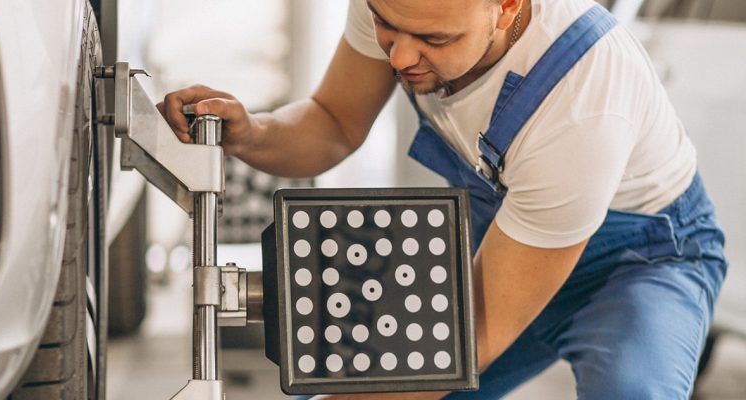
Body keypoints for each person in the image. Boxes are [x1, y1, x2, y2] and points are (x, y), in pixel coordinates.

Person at [158, 0, 727, 398]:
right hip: (503, 236)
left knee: (633, 392)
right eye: (387, 25)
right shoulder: (402, 9)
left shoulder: (582, 98)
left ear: (506, 7)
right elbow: (334, 122)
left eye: (435, 39)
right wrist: (251, 133)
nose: (401, 57)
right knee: (346, 385)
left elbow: (473, 335)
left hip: (641, 259)